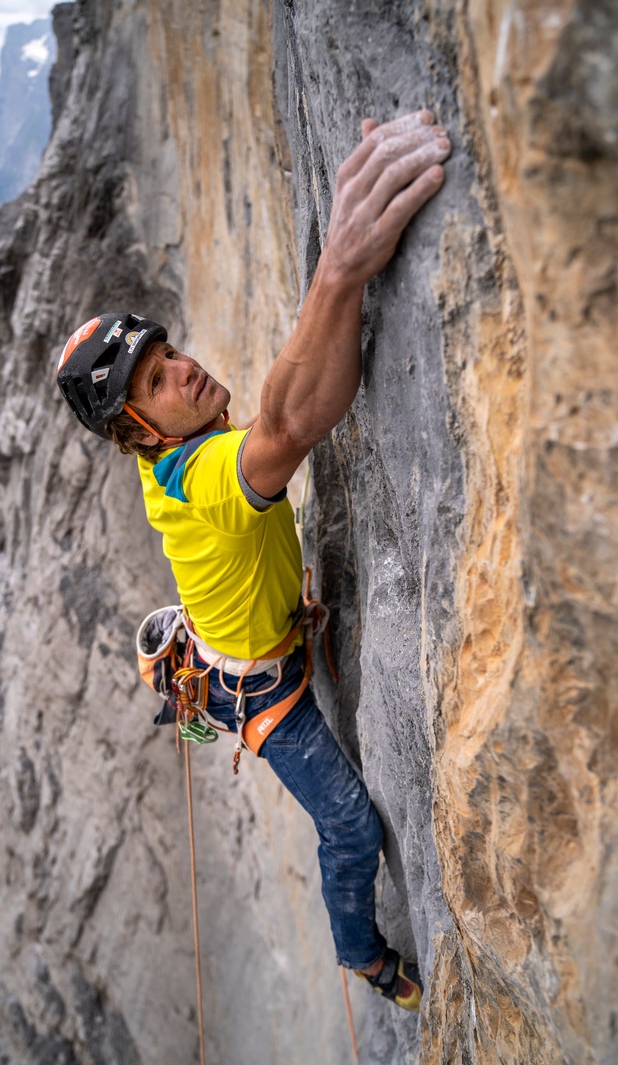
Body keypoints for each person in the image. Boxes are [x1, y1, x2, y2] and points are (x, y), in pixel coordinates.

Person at [56, 111, 451, 1011]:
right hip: (260, 692)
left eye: (168, 354)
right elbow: (289, 422)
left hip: (249, 639)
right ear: (140, 431)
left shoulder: (175, 453)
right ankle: (362, 954)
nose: (184, 369)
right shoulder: (200, 478)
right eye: (158, 382)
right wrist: (340, 267)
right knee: (350, 827)